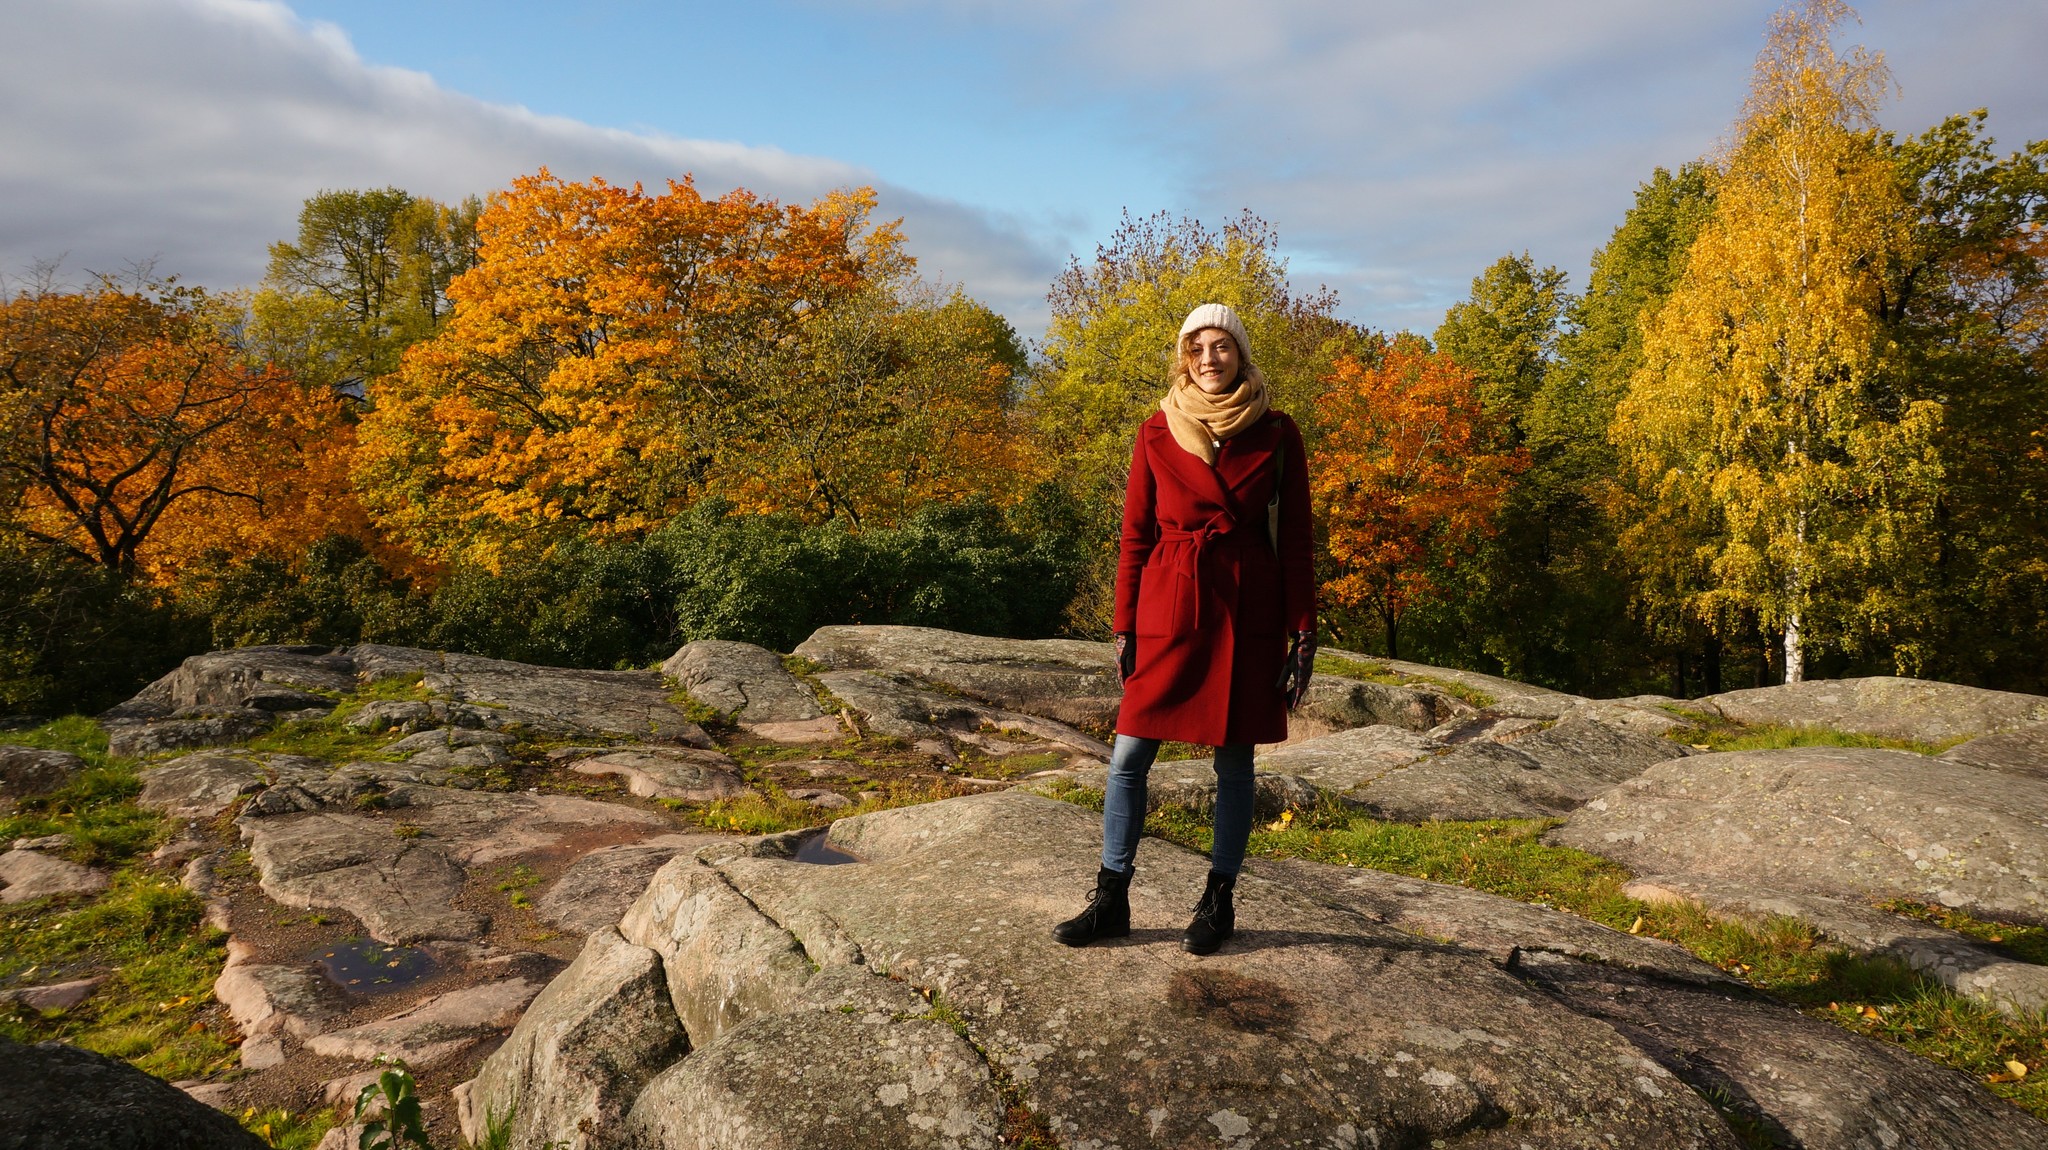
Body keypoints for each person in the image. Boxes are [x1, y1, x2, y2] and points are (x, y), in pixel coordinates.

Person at [1053, 302, 1316, 956]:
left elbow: (1299, 540)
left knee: (1235, 761)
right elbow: (1135, 536)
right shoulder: (1155, 431)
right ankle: (1111, 896)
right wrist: (1124, 625)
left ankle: (1218, 901)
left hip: (1244, 607)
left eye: (1220, 344)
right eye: (1196, 346)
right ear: (1183, 356)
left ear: (1240, 353)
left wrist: (1302, 630)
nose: (1208, 358)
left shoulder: (1278, 434)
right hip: (1169, 602)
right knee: (1128, 757)